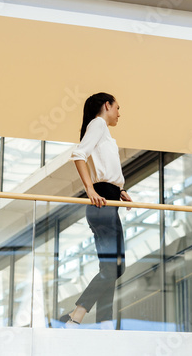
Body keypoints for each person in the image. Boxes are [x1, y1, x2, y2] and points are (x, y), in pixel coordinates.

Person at [57, 92, 131, 329]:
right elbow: (79, 155)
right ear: (106, 105)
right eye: (117, 107)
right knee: (113, 266)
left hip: (109, 199)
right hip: (101, 203)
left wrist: (117, 189)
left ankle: (103, 322)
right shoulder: (98, 124)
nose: (119, 113)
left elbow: (103, 167)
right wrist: (90, 189)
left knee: (114, 267)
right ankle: (77, 316)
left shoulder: (103, 131)